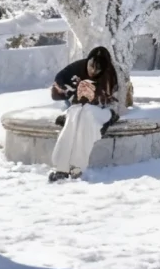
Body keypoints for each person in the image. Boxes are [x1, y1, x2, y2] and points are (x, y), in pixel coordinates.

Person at [48, 45, 121, 182]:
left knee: (86, 115)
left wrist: (93, 94)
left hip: (102, 111)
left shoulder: (109, 75)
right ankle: (61, 167)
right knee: (74, 114)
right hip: (80, 107)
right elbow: (60, 77)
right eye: (91, 66)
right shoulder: (79, 66)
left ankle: (77, 166)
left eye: (97, 68)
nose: (92, 70)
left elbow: (110, 100)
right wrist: (68, 89)